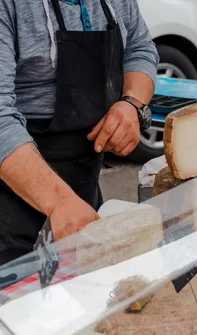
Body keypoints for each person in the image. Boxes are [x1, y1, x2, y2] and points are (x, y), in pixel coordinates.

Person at [0, 0, 159, 265]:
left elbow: (139, 46)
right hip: (11, 206)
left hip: (84, 193)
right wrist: (59, 202)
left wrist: (131, 103)